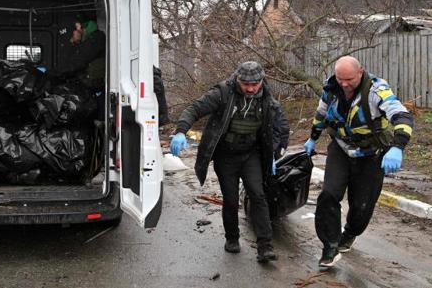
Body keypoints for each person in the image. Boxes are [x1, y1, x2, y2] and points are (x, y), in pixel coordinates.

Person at [170, 61, 289, 262]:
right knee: (231, 198)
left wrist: (275, 154)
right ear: (238, 79)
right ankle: (232, 238)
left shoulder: (267, 99)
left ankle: (265, 246)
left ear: (261, 81)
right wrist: (181, 131)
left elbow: (281, 127)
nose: (251, 88)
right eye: (246, 84)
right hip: (226, 155)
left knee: (258, 195)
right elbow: (195, 109)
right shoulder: (223, 92)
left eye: (255, 84)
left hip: (251, 153)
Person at [303, 56, 414, 269]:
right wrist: (313, 137)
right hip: (340, 149)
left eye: (349, 80)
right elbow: (321, 113)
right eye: (340, 78)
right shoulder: (331, 87)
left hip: (370, 154)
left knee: (362, 205)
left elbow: (402, 116)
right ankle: (330, 246)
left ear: (360, 72)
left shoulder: (377, 91)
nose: (344, 84)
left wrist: (398, 147)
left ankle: (350, 233)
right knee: (328, 195)